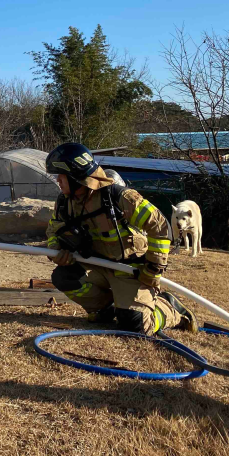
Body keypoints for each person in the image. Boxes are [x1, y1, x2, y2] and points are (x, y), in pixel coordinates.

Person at [44, 143, 197, 335]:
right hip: (96, 264)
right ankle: (103, 309)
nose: (58, 180)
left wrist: (153, 269)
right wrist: (56, 250)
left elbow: (160, 226)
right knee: (64, 277)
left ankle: (170, 309)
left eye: (61, 175)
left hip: (130, 269)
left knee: (136, 325)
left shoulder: (118, 197)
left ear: (76, 177)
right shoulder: (65, 202)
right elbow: (53, 230)